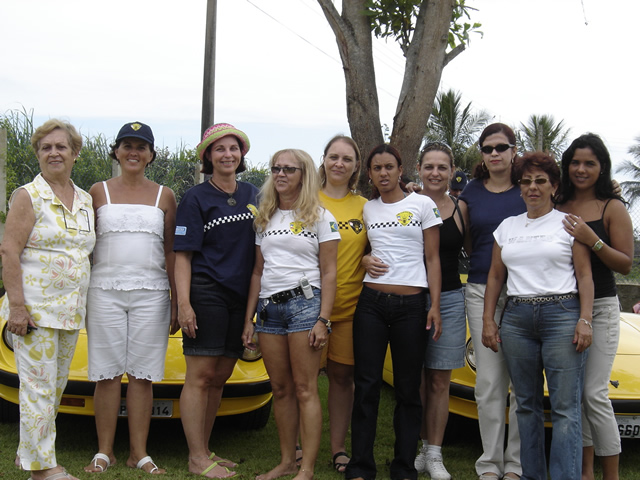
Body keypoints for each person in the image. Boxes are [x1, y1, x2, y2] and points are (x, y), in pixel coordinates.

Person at [482, 152, 593, 479]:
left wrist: (585, 319)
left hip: (562, 315)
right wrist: (488, 319)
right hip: (517, 319)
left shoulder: (568, 224)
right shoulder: (507, 227)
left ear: (554, 186)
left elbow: (585, 276)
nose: (533, 187)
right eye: (526, 181)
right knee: (526, 406)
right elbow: (495, 276)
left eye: (540, 181)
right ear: (520, 187)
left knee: (565, 408)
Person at [0, 119, 96, 480]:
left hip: (70, 312)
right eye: (46, 148)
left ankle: (29, 454)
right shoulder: (28, 196)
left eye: (61, 147)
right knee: (38, 388)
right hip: (34, 312)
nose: (54, 153)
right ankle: (43, 471)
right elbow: (9, 251)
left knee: (53, 389)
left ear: (75, 153)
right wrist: (17, 307)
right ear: (38, 154)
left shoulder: (85, 200)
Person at [83, 122, 177, 475]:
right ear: (117, 151)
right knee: (106, 375)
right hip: (103, 293)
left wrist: (176, 299)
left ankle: (139, 453)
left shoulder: (165, 196)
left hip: (151, 295)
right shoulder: (97, 192)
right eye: (127, 146)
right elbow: (84, 246)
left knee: (142, 376)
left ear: (151, 154)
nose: (134, 152)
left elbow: (171, 251)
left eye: (141, 147)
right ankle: (104, 451)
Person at [345, 144, 442, 480]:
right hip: (371, 304)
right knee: (366, 385)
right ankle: (360, 465)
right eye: (377, 168)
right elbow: (357, 248)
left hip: (411, 307)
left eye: (389, 167)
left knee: (408, 389)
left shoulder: (422, 204)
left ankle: (403, 467)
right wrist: (363, 259)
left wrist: (435, 306)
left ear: (401, 170)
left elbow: (433, 258)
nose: (383, 173)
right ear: (369, 174)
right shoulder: (367, 208)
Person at [242, 149, 339, 480]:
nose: (280, 174)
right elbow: (258, 272)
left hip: (305, 306)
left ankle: (306, 469)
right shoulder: (265, 217)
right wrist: (249, 319)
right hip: (269, 310)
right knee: (280, 389)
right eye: (276, 168)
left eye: (289, 169)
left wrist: (323, 320)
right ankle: (286, 462)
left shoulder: (320, 216)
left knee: (305, 388)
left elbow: (329, 272)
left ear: (304, 175)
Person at [175, 123, 259, 478]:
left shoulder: (254, 194)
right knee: (201, 376)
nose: (227, 154)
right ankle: (196, 457)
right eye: (219, 149)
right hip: (206, 292)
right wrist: (183, 304)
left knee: (221, 376)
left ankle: (206, 449)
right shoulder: (195, 198)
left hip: (241, 297)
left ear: (242, 154)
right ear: (208, 156)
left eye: (233, 148)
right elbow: (182, 256)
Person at [556, 134, 633, 480]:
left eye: (590, 163)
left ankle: (611, 475)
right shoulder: (558, 203)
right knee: (576, 395)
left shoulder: (612, 207)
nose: (581, 169)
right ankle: (585, 472)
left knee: (594, 393)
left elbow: (625, 264)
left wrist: (593, 240)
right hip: (563, 309)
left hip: (600, 308)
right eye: (575, 162)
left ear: (602, 167)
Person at [457, 123, 524, 480]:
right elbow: (466, 239)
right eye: (488, 148)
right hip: (482, 290)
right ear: (482, 154)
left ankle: (516, 465)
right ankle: (490, 464)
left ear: (514, 151)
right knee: (488, 384)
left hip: (526, 294)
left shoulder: (528, 187)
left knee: (522, 383)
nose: (494, 153)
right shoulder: (471, 191)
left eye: (501, 147)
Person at [318, 135, 368, 473]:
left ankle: (338, 448)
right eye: (333, 156)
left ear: (356, 166)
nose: (339, 163)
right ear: (323, 160)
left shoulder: (366, 206)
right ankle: (297, 445)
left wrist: (366, 259)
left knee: (341, 378)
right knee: (303, 380)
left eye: (347, 159)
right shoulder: (306, 200)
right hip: (309, 308)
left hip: (351, 307)